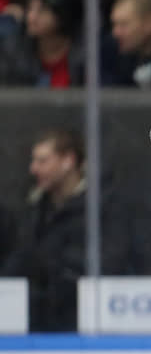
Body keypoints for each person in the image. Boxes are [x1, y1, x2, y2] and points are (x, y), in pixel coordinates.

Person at [1, 129, 130, 331]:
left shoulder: (103, 208)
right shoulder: (35, 209)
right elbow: (21, 259)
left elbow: (110, 262)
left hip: (85, 321)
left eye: (42, 161)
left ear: (68, 161)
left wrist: (53, 262)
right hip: (37, 323)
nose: (33, 169)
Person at [0, 0, 84, 87]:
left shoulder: (84, 54)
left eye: (42, 11)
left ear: (61, 16)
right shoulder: (15, 49)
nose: (31, 17)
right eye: (30, 9)